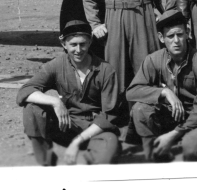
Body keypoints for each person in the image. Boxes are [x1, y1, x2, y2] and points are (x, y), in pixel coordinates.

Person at [16, 19, 121, 166]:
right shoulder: (56, 65)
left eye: (83, 44)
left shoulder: (106, 70)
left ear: (90, 42)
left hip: (96, 129)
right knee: (32, 109)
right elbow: (25, 91)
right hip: (67, 125)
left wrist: (77, 142)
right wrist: (55, 101)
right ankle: (46, 164)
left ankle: (89, 163)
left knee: (106, 157)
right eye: (73, 44)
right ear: (63, 44)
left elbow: (109, 115)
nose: (78, 50)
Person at [126, 9, 197, 162]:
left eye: (180, 34)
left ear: (187, 33)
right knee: (139, 109)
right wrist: (164, 92)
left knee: (193, 148)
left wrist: (173, 135)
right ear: (161, 38)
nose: (176, 41)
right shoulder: (153, 60)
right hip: (169, 118)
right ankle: (156, 155)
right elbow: (132, 92)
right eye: (170, 36)